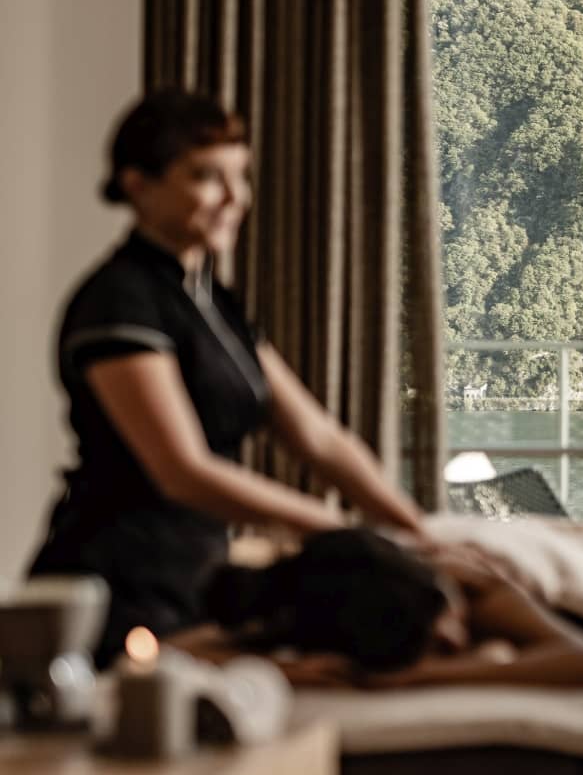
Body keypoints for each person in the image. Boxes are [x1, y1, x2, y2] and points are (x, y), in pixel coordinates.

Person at [29, 91, 425, 666]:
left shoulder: (215, 305)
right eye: (207, 177)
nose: (237, 198)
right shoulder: (120, 301)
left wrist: (417, 532)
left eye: (241, 176)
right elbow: (184, 471)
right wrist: (341, 533)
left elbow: (320, 440)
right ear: (138, 185)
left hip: (195, 573)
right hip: (118, 583)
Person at [167, 528, 583, 689]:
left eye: (445, 620)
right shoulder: (323, 605)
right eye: (432, 645)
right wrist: (292, 670)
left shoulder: (471, 586)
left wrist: (424, 674)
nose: (456, 640)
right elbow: (170, 650)